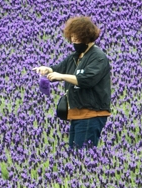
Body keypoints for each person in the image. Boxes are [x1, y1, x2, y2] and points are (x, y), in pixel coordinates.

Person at [34, 16, 111, 148]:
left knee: (83, 153)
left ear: (86, 37)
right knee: (75, 153)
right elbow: (58, 69)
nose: (74, 43)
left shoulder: (98, 57)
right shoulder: (75, 57)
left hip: (91, 114)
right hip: (75, 114)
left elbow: (87, 80)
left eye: (77, 39)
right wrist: (47, 70)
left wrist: (62, 76)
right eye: (72, 39)